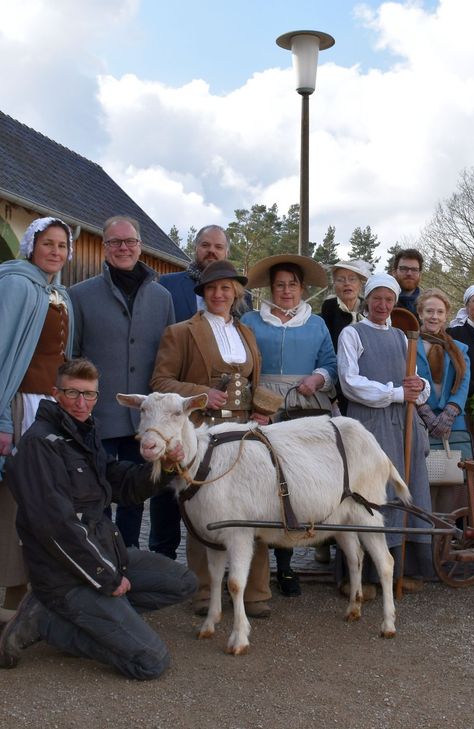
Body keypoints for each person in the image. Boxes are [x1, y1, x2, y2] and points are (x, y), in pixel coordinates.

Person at [0, 359, 197, 678]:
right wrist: (107, 577)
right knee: (151, 662)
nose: (81, 403)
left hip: (106, 554)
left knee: (184, 582)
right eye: (72, 393)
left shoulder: (83, 434)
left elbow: (123, 485)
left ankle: (91, 620)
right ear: (55, 394)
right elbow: (56, 528)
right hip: (66, 576)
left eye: (89, 395)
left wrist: (168, 467)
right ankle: (48, 623)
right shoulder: (40, 445)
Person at [0, 217, 74, 622]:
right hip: (19, 404)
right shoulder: (14, 285)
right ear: (30, 246)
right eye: (48, 244)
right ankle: (10, 599)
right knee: (12, 500)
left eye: (62, 245)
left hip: (50, 408)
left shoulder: (59, 293)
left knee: (46, 500)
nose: (55, 252)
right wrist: (1, 418)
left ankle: (39, 589)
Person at [149, 260, 273, 618]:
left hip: (244, 434)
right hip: (202, 435)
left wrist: (261, 409)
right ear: (202, 293)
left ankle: (255, 591)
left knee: (255, 505)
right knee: (201, 510)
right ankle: (205, 590)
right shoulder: (182, 332)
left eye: (226, 288)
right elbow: (160, 382)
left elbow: (252, 383)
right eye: (212, 288)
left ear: (237, 293)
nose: (219, 294)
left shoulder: (247, 333)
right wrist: (202, 392)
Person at [70, 215, 175, 555]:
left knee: (134, 494)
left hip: (143, 420)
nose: (123, 248)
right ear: (104, 247)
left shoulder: (162, 299)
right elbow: (72, 357)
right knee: (94, 489)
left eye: (129, 241)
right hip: (96, 415)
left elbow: (168, 358)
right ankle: (99, 555)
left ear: (140, 246)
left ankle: (129, 554)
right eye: (115, 242)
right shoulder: (80, 295)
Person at [241, 254, 338, 597]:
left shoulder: (316, 324)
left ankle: (286, 567)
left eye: (292, 285)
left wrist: (317, 377)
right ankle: (256, 572)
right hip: (260, 407)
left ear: (302, 288)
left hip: (302, 407)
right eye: (279, 285)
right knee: (261, 486)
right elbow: (242, 363)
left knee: (292, 487)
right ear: (271, 288)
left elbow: (330, 364)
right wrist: (256, 403)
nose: (285, 291)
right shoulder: (251, 320)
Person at [337, 273, 433, 590]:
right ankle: (359, 576)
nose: (382, 304)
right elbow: (350, 383)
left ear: (394, 302)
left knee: (404, 490)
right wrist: (394, 394)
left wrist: (420, 387)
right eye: (377, 298)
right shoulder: (352, 334)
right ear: (368, 300)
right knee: (368, 494)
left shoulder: (402, 338)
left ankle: (400, 571)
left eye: (388, 299)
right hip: (370, 426)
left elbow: (415, 382)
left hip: (403, 424)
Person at [414, 289, 471, 512]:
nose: (434, 317)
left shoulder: (459, 349)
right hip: (420, 423)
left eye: (439, 312)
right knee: (422, 486)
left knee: (450, 485)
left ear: (446, 315)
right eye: (429, 311)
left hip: (452, 426)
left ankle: (444, 543)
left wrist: (450, 412)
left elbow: (464, 382)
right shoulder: (409, 345)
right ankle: (423, 543)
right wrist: (425, 412)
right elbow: (407, 378)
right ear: (420, 313)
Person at [320, 258, 371, 414]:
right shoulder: (329, 308)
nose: (347, 284)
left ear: (360, 283)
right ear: (334, 285)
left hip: (367, 378)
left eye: (352, 279)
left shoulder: (369, 308)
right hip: (338, 380)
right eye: (340, 280)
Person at [391, 248, 424, 315]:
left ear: (420, 274)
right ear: (394, 272)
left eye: (414, 269)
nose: (409, 273)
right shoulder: (382, 301)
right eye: (404, 268)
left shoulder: (428, 305)